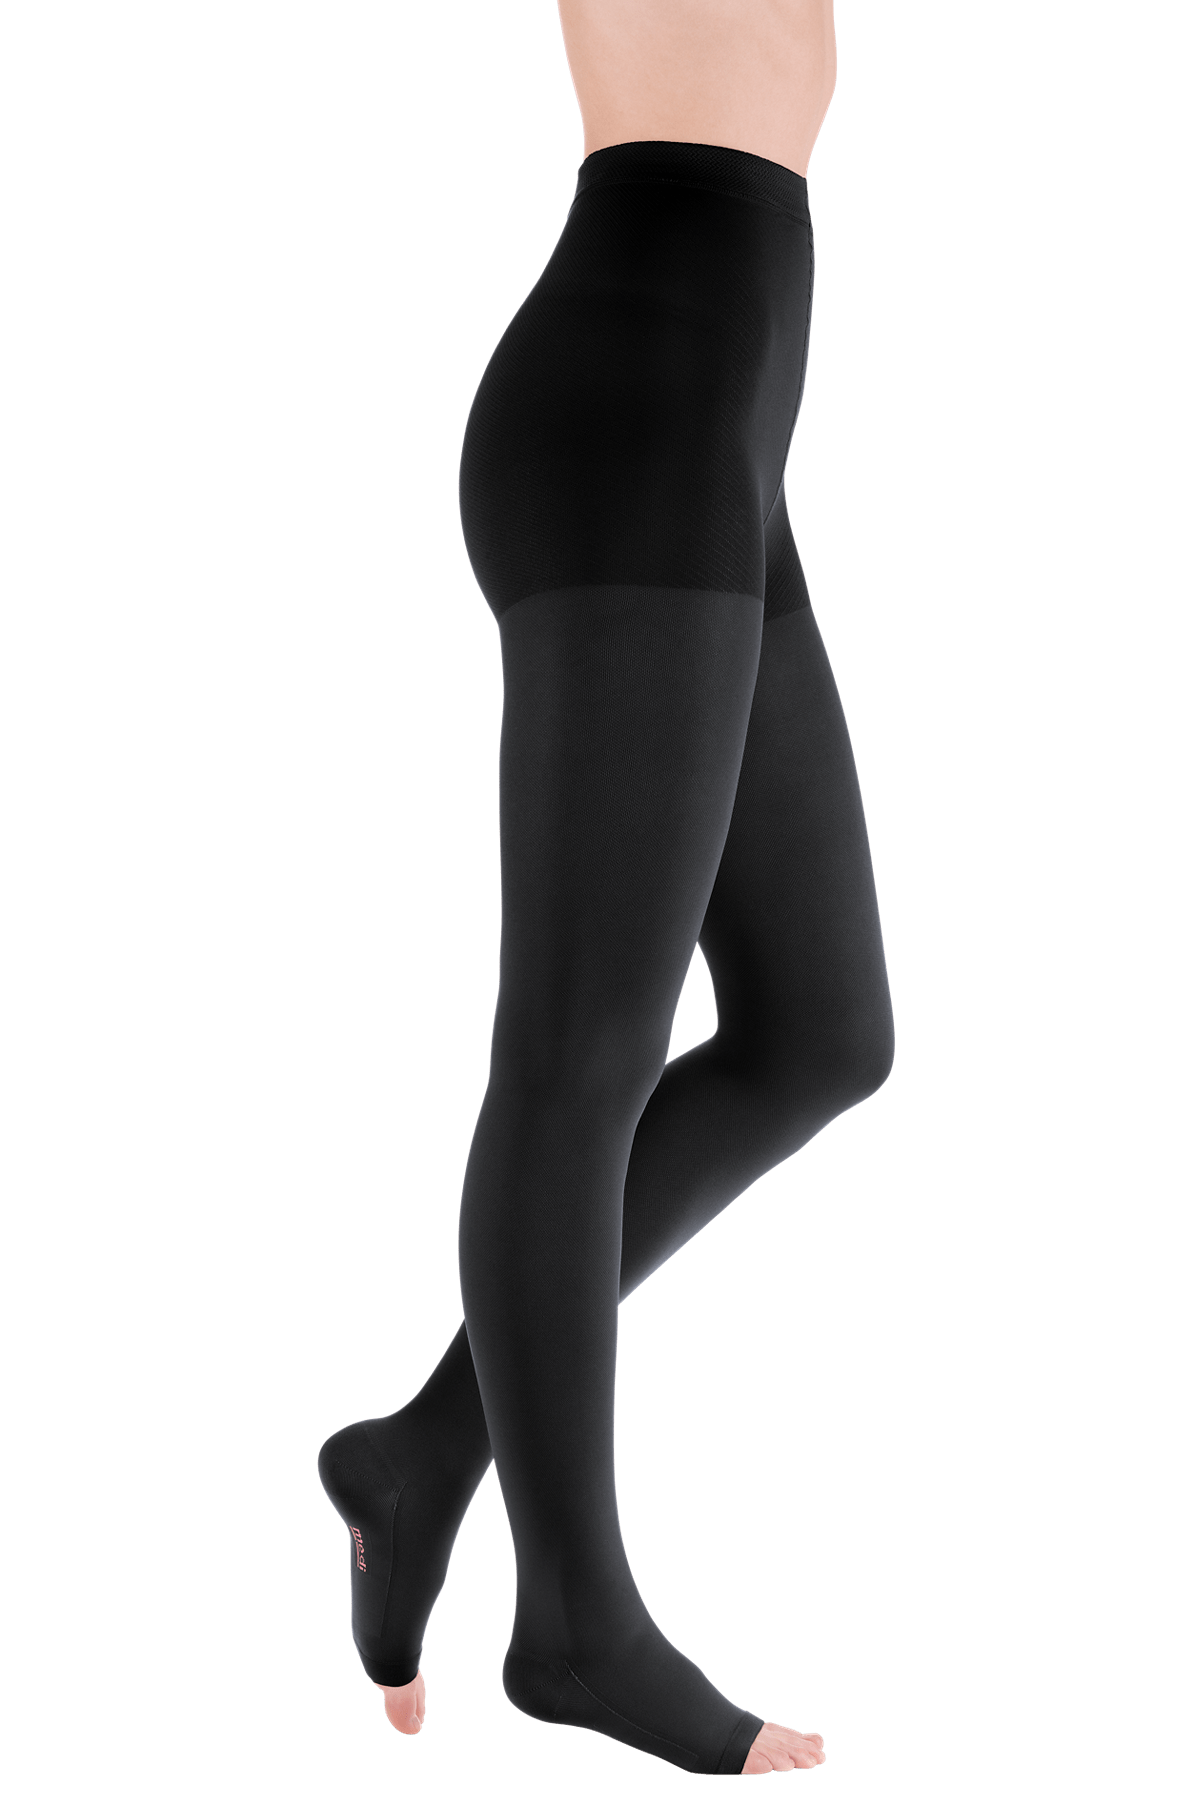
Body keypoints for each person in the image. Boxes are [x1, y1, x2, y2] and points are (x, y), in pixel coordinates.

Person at [319, 0, 893, 1775]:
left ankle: (425, 1452)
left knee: (821, 1031)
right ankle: (574, 1621)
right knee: (581, 1050)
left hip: (720, 441)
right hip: (632, 414)